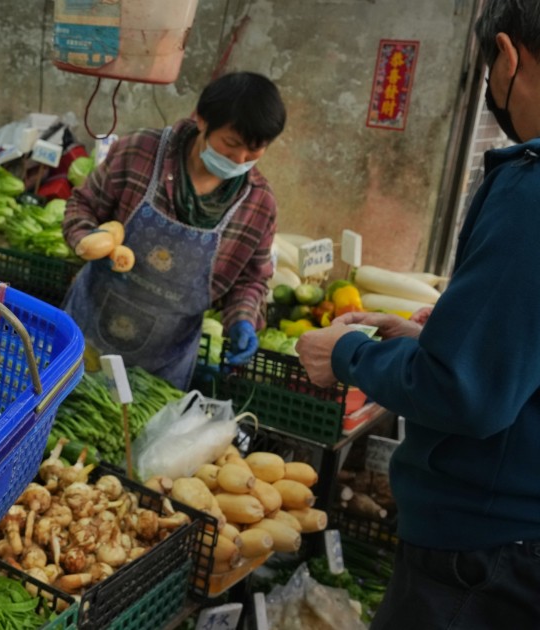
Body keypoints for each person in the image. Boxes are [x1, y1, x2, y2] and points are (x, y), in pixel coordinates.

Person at [296, 1, 540, 626]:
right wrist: (429, 341)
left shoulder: (530, 191)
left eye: (489, 68)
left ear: (507, 57)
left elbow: (465, 394)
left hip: (483, 555)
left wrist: (345, 354)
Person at [62, 71, 286, 389]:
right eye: (231, 144)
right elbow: (81, 206)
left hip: (162, 367)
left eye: (254, 151)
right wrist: (89, 240)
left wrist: (243, 319)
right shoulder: (140, 152)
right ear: (201, 120)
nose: (240, 159)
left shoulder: (258, 205)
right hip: (87, 333)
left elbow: (251, 279)